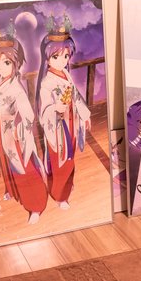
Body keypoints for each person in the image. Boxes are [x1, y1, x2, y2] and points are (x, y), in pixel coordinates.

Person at [0, 25, 48, 224]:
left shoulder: (16, 90)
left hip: (15, 136)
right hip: (1, 132)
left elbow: (28, 115)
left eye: (6, 63)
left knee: (24, 169)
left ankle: (36, 206)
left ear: (16, 63)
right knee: (7, 165)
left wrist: (17, 126)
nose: (1, 68)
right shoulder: (1, 84)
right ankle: (13, 191)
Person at [35, 15, 91, 207]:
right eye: (56, 56)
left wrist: (84, 115)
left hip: (71, 122)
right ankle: (60, 196)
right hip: (58, 127)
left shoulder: (65, 73)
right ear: (47, 58)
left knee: (70, 157)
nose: (62, 61)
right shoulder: (47, 82)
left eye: (66, 56)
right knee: (61, 159)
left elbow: (75, 96)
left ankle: (67, 184)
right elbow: (44, 109)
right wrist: (55, 108)